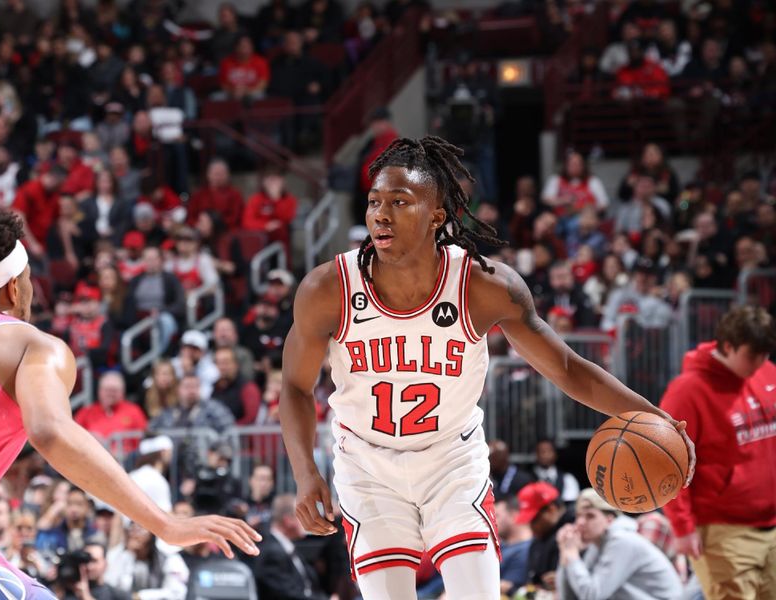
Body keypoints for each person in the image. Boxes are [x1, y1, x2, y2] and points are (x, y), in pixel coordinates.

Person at [279, 136, 694, 599]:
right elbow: (295, 387)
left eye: (400, 201)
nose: (380, 213)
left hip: (451, 460)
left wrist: (655, 418)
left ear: (437, 216)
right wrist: (305, 473)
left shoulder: (483, 286)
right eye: (375, 201)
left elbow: (567, 368)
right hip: (366, 462)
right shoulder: (327, 289)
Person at [0, 211, 260, 598]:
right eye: (28, 281)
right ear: (14, 288)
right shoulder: (32, 345)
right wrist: (164, 523)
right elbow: (50, 431)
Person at [661, 306, 776, 600]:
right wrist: (682, 527)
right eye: (753, 355)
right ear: (728, 346)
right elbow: (668, 465)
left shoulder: (768, 373)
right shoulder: (687, 391)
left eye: (766, 354)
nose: (760, 362)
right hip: (722, 529)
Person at [556, 488, 682, 600]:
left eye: (590, 516)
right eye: (578, 516)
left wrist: (573, 556)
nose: (580, 522)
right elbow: (568, 597)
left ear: (609, 519)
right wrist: (565, 554)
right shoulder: (597, 544)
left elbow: (591, 595)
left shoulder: (622, 540)